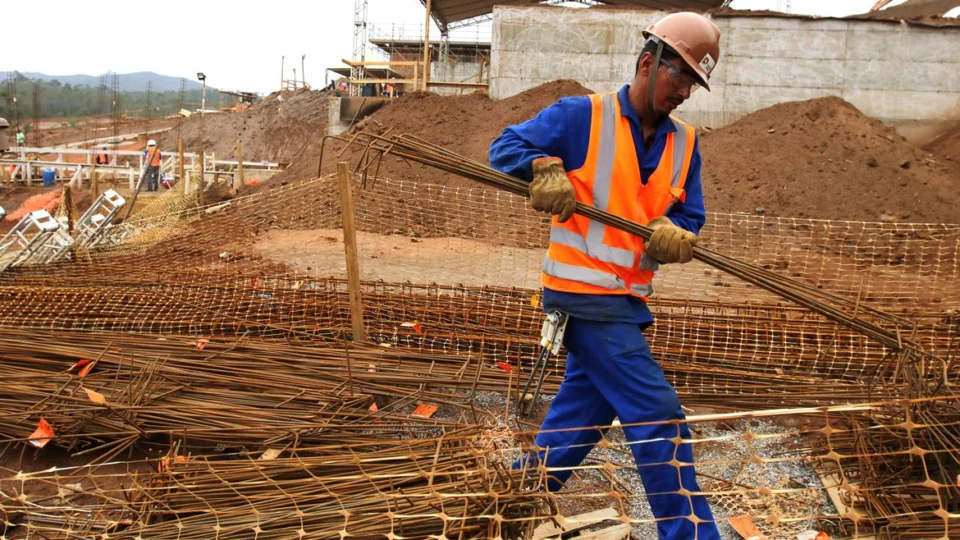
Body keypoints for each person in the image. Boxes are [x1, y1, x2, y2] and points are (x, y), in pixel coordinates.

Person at [489, 12, 722, 540]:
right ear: (647, 62)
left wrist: (674, 232)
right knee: (657, 413)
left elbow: (691, 217)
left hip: (627, 303)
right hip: (581, 298)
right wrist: (543, 169)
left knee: (584, 414)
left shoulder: (685, 145)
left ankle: (507, 502)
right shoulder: (581, 116)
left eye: (693, 82)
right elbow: (504, 148)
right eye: (679, 76)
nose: (685, 91)